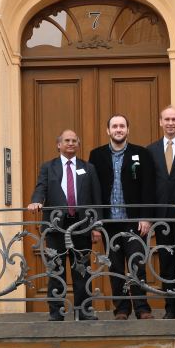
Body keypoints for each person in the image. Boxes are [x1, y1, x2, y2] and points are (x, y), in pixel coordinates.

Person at [28, 129, 103, 321]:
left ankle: (84, 312)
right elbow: (41, 187)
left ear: (78, 144)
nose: (71, 143)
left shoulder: (88, 168)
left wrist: (96, 226)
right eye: (67, 140)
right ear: (59, 144)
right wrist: (36, 201)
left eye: (74, 141)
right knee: (56, 269)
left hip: (82, 225)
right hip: (55, 226)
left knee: (82, 270)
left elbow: (96, 199)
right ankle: (56, 314)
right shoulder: (48, 167)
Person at [88, 114, 156, 320]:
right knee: (115, 267)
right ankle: (121, 309)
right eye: (115, 126)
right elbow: (92, 190)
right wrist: (95, 223)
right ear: (108, 131)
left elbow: (148, 187)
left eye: (122, 126)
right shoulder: (96, 155)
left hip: (134, 222)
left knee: (137, 264)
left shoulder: (141, 154)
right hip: (109, 223)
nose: (118, 129)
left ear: (128, 129)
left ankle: (142, 308)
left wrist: (146, 217)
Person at [147, 106, 175, 319]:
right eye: (167, 119)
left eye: (174, 119)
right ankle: (169, 307)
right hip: (161, 214)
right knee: (165, 261)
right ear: (160, 122)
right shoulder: (151, 150)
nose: (170, 123)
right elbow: (148, 185)